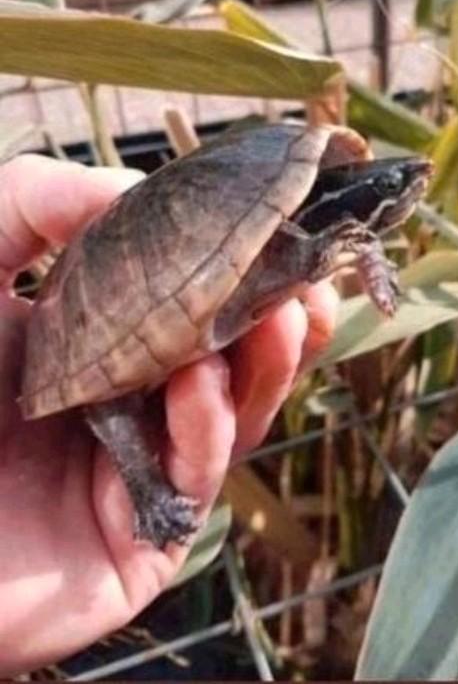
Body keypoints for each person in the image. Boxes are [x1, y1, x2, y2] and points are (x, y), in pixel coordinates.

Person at [0, 154, 338, 675]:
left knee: (184, 391)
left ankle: (150, 499)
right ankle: (148, 498)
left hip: (129, 333)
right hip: (100, 333)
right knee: (113, 402)